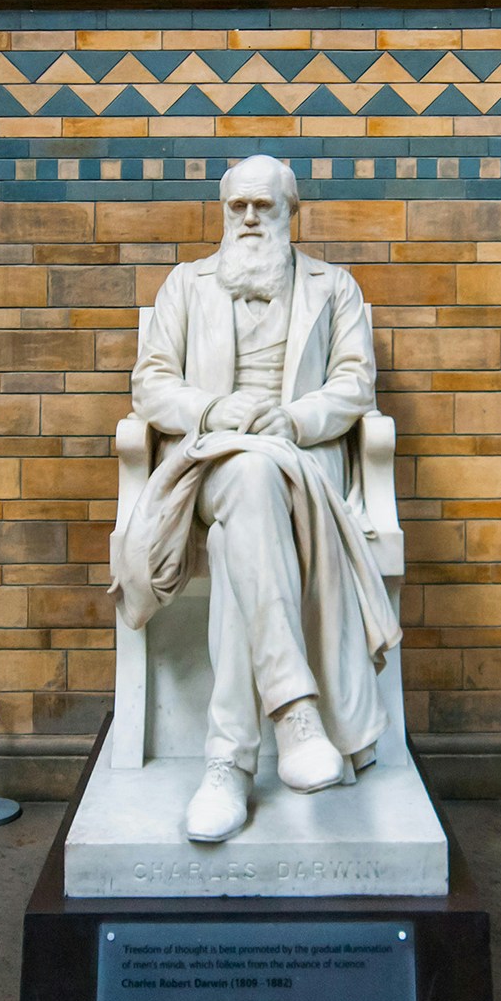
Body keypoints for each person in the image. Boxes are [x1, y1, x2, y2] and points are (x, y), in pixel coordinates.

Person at [113, 155, 398, 843]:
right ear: (222, 211)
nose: (247, 218)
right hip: (211, 461)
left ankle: (228, 765)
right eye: (236, 206)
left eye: (262, 207)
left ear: (290, 211)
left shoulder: (337, 288)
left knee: (251, 501)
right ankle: (296, 718)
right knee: (243, 478)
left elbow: (356, 384)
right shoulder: (187, 285)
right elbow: (150, 385)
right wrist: (214, 410)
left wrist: (294, 420)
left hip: (301, 462)